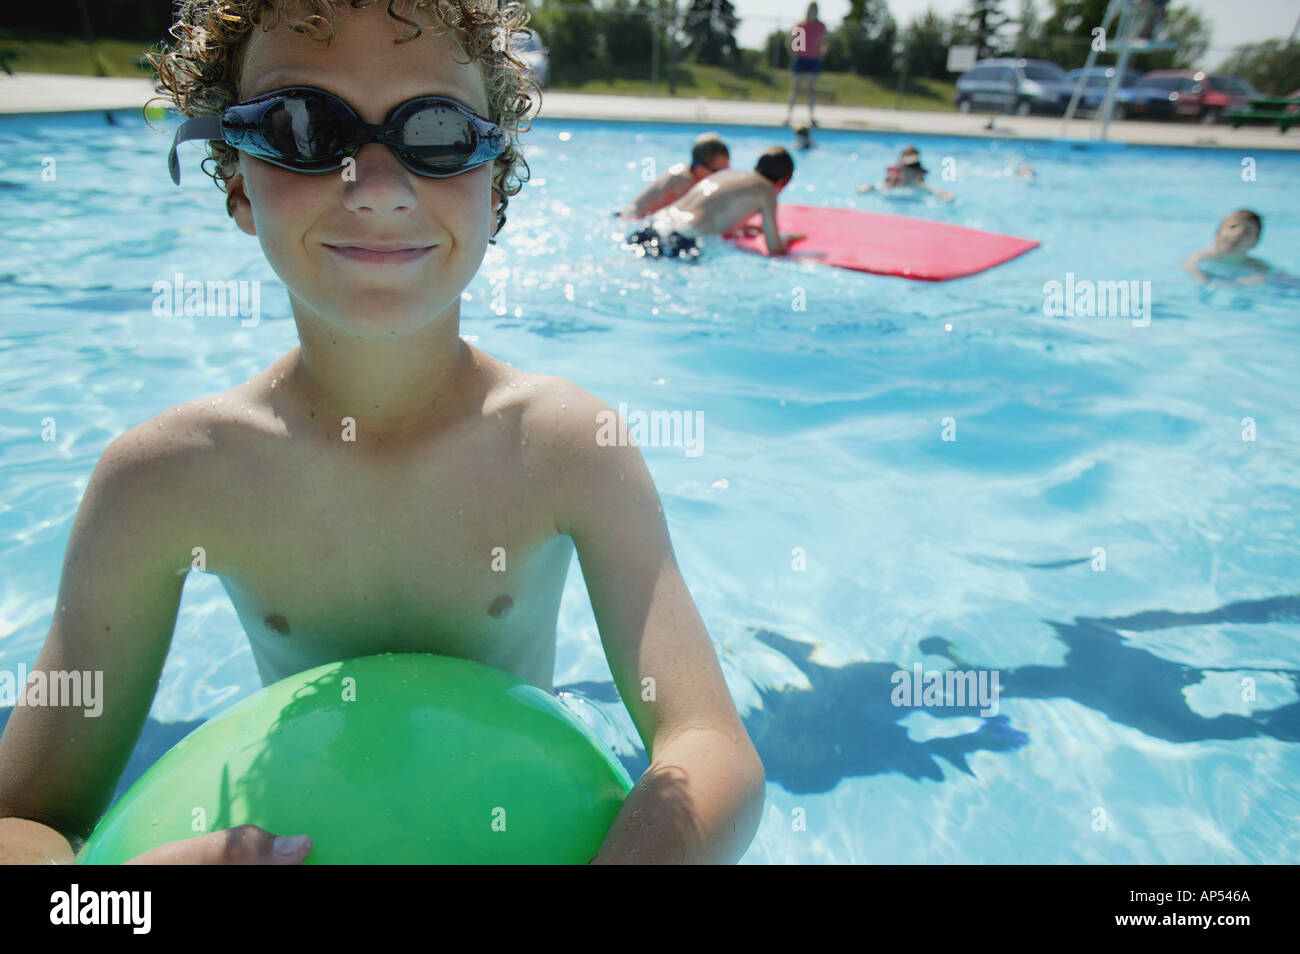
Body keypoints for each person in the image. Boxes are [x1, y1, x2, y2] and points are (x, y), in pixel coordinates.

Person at [0, 0, 764, 866]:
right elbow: (25, 821)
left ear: (494, 183)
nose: (377, 187)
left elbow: (709, 743)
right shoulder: (164, 481)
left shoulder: (568, 446)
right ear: (240, 182)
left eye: (436, 132)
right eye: (301, 126)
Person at [626, 146, 805, 259]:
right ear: (784, 181)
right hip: (681, 239)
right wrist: (786, 238)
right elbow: (774, 250)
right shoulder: (766, 189)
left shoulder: (729, 174)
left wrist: (742, 227)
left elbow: (711, 210)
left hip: (653, 225)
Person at [617, 131, 730, 219]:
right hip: (629, 219)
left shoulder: (696, 175)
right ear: (700, 169)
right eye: (720, 171)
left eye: (728, 169)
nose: (725, 175)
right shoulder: (681, 181)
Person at [1183, 210, 1270, 285]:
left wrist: (1240, 283)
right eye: (1233, 227)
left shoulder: (1256, 265)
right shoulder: (1203, 256)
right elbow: (1189, 266)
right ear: (1217, 234)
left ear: (1255, 243)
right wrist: (1199, 276)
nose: (1238, 233)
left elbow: (1271, 277)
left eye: (1247, 231)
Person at [857, 145, 954, 202]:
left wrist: (945, 195)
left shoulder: (921, 187)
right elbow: (868, 188)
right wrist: (869, 188)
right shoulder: (891, 186)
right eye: (908, 168)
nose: (911, 172)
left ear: (919, 172)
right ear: (900, 170)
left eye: (915, 168)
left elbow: (941, 193)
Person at [784, 3, 827, 128]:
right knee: (795, 88)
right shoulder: (801, 25)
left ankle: (812, 118)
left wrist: (821, 53)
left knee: (811, 89)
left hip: (814, 59)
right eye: (811, 10)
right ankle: (788, 117)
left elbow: (825, 41)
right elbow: (790, 40)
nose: (812, 12)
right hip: (801, 59)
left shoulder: (820, 26)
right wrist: (794, 53)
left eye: (814, 10)